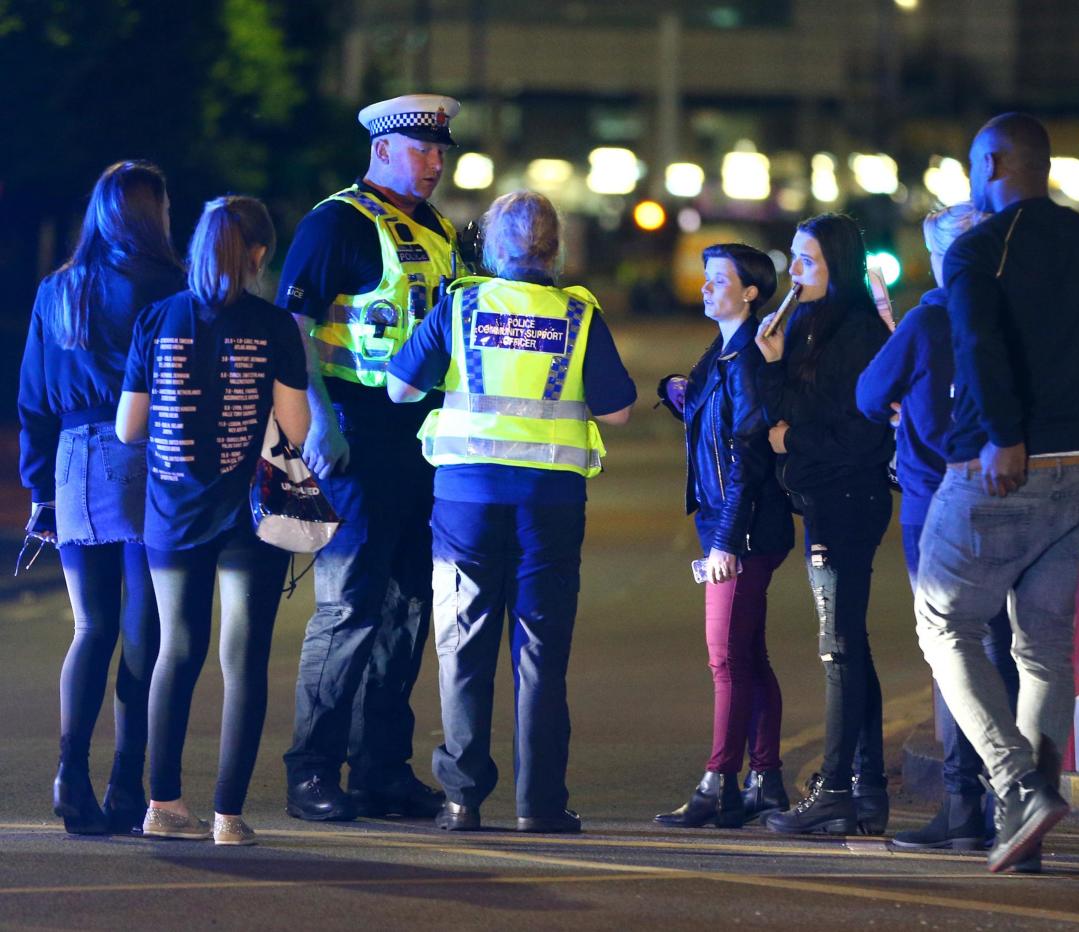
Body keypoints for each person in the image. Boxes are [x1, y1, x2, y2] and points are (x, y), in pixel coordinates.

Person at [912, 112, 1079, 872]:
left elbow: (977, 344)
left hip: (995, 468)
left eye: (970, 166)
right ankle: (1026, 824)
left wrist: (1001, 432)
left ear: (994, 163)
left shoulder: (978, 249)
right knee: (1045, 649)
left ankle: (1015, 785)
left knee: (943, 620)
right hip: (1078, 474)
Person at [387, 190, 635, 832]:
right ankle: (540, 804)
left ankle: (462, 799)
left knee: (463, 645)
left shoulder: (463, 304)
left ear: (492, 245)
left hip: (466, 501)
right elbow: (617, 410)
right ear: (555, 249)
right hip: (550, 502)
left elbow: (400, 386)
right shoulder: (579, 315)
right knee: (541, 651)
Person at [279, 94, 466, 821]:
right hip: (355, 436)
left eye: (441, 150)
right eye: (423, 149)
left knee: (409, 607)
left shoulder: (443, 230)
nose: (437, 162)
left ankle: (383, 768)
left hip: (423, 441)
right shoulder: (335, 223)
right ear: (384, 149)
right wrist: (318, 421)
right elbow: (293, 325)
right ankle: (313, 770)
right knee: (348, 605)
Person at [117, 196, 310, 845]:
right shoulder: (273, 323)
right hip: (247, 514)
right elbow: (296, 427)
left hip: (171, 511)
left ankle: (163, 805)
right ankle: (229, 815)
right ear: (257, 253)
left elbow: (128, 427)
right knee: (243, 660)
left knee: (176, 651)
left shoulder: (156, 318)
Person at [18, 160, 183, 835]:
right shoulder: (170, 285)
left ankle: (69, 773)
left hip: (75, 459)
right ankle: (125, 786)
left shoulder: (57, 289)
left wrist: (40, 492)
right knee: (145, 630)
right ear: (154, 214)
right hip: (149, 456)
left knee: (91, 626)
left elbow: (31, 399)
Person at [857, 203, 1022, 853]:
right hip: (1013, 494)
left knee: (951, 650)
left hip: (933, 502)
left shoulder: (926, 321)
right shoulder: (1021, 317)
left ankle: (962, 803)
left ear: (938, 256)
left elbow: (871, 395)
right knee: (1006, 648)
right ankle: (1012, 796)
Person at [754, 213, 895, 836]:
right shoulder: (807, 328)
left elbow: (863, 433)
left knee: (837, 647)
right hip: (822, 497)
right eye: (793, 259)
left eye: (806, 261)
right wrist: (775, 363)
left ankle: (837, 787)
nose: (794, 272)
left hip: (849, 499)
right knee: (849, 645)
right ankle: (866, 787)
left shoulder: (861, 333)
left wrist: (794, 439)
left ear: (836, 266)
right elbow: (780, 414)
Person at [652, 244, 794, 828]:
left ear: (751, 291)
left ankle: (719, 784)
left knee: (725, 659)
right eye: (707, 279)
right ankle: (765, 779)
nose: (706, 288)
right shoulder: (725, 350)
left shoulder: (749, 359)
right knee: (748, 656)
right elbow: (718, 424)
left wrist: (726, 543)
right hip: (731, 521)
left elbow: (748, 457)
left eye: (718, 280)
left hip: (744, 526)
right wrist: (677, 393)